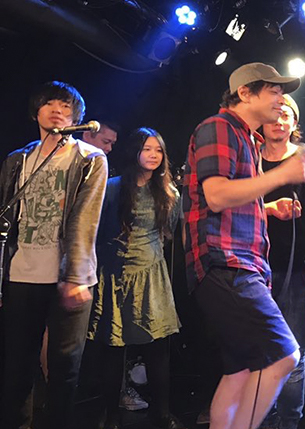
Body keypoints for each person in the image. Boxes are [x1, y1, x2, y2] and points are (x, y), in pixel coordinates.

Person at [183, 62, 305, 429]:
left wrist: (267, 208)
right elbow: (216, 195)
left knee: (240, 370)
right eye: (274, 91)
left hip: (237, 263)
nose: (281, 99)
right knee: (284, 356)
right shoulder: (219, 127)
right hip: (227, 263)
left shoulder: (245, 140)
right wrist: (283, 174)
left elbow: (227, 197)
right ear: (245, 92)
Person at [0, 81, 108, 429]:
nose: (58, 110)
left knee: (64, 371)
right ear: (37, 111)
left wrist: (75, 275)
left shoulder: (90, 158)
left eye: (66, 106)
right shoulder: (18, 159)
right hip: (20, 274)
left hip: (68, 278)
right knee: (17, 367)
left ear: (77, 117)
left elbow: (85, 218)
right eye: (50, 103)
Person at [88, 128, 184, 429]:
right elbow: (97, 230)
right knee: (113, 348)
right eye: (147, 149)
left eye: (158, 150)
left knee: (158, 349)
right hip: (115, 274)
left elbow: (168, 233)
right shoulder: (113, 187)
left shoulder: (169, 192)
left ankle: (162, 412)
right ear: (135, 152)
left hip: (152, 275)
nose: (154, 155)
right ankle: (112, 415)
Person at [260, 95, 305, 429]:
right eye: (273, 114)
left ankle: (290, 421)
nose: (279, 120)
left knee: (293, 349)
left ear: (294, 122)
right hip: (252, 266)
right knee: (256, 350)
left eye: (285, 114)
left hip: (296, 267)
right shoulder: (249, 157)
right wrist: (270, 210)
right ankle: (261, 417)